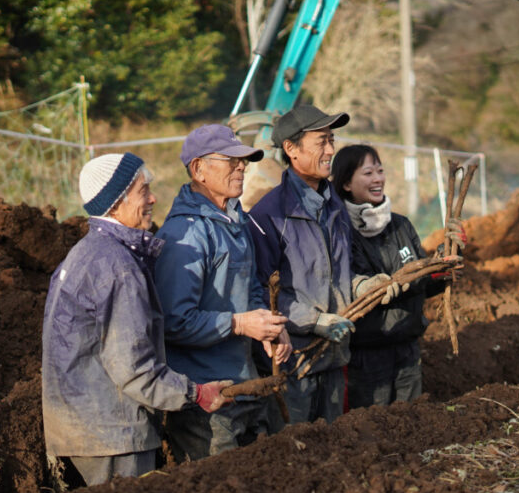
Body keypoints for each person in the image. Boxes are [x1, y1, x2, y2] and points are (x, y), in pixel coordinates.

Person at [41, 152, 233, 486]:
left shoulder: (86, 252)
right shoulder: (119, 267)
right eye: (144, 191)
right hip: (112, 432)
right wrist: (194, 394)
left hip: (83, 426)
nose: (153, 198)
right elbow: (134, 369)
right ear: (116, 203)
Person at [247, 105, 399, 424]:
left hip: (334, 358)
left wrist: (364, 285)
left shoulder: (334, 208)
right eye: (321, 142)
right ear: (291, 149)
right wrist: (315, 320)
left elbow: (338, 274)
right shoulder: (269, 215)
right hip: (294, 365)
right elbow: (259, 291)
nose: (331, 150)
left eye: (332, 140)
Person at [154, 124, 292, 461]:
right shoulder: (184, 235)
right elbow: (174, 322)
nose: (242, 167)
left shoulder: (235, 221)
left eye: (243, 160)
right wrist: (241, 325)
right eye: (230, 160)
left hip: (245, 387)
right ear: (199, 169)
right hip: (208, 400)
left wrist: (269, 326)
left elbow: (251, 289)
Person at [331, 144, 453, 408]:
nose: (378, 179)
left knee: (412, 426)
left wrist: (442, 268)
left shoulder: (400, 225)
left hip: (407, 350)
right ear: (347, 184)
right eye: (368, 173)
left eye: (380, 171)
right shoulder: (340, 232)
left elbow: (422, 283)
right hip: (366, 359)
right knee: (372, 434)